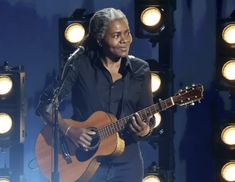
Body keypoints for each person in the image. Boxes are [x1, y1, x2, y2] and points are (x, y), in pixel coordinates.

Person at [36, 7, 155, 182]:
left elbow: (148, 116)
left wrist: (145, 130)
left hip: (127, 164)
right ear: (100, 40)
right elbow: (46, 106)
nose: (125, 41)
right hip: (83, 161)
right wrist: (70, 130)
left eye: (127, 33)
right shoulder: (80, 65)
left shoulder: (140, 70)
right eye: (116, 36)